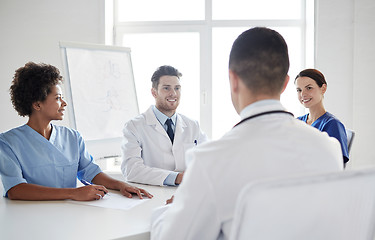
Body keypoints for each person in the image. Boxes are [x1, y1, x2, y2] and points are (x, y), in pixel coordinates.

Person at [150, 27, 343, 239]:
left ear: (233, 80)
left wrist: (175, 207)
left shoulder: (211, 161)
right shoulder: (329, 148)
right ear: (286, 83)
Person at [0, 62, 153, 201]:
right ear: (37, 105)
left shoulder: (72, 137)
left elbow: (90, 171)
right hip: (29, 217)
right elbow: (15, 189)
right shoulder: (8, 142)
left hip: (72, 215)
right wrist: (73, 193)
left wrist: (120, 185)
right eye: (58, 98)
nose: (64, 103)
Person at [121, 65, 208, 186]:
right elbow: (131, 170)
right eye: (166, 88)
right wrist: (176, 177)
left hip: (187, 192)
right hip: (153, 194)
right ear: (154, 92)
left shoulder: (193, 125)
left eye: (177, 88)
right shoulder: (134, 126)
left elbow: (207, 158)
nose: (173, 93)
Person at [295, 68, 349, 165]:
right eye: (299, 90)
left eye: (309, 88)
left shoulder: (332, 125)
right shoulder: (298, 122)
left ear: (323, 88)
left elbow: (337, 164)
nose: (303, 94)